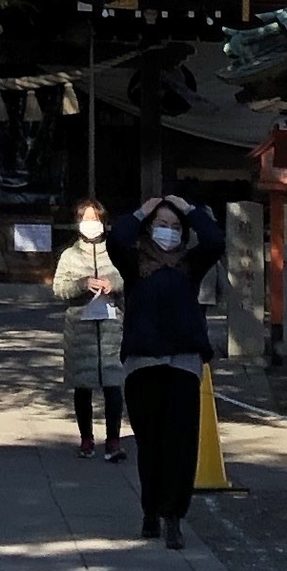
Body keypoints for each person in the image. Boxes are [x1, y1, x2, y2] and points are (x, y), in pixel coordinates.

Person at [108, 191, 225, 548]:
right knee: (151, 441)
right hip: (144, 361)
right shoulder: (134, 264)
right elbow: (117, 238)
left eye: (175, 227)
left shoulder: (189, 265)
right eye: (162, 225)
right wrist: (144, 208)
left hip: (184, 362)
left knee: (181, 442)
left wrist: (190, 209)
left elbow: (215, 241)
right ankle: (150, 511)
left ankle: (174, 516)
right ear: (149, 227)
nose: (169, 232)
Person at [50, 199, 124, 458]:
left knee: (114, 385)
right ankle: (86, 439)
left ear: (104, 222)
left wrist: (112, 283)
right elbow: (59, 289)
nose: (91, 225)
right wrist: (82, 284)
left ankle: (113, 440)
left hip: (111, 326)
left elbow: (129, 279)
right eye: (86, 219)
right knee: (83, 387)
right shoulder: (70, 255)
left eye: (96, 219)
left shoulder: (116, 251)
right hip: (80, 328)